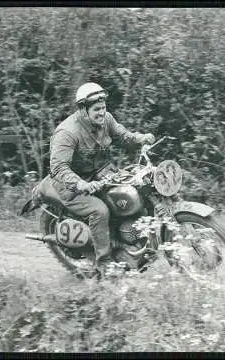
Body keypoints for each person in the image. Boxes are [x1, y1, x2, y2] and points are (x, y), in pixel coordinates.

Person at [49, 82, 155, 276]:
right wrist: (80, 184)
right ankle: (104, 263)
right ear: (83, 109)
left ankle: (129, 242)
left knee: (130, 191)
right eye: (97, 109)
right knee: (100, 211)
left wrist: (141, 138)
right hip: (70, 184)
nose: (102, 113)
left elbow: (123, 136)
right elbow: (58, 167)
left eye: (103, 108)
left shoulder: (106, 119)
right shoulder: (67, 132)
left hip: (100, 173)